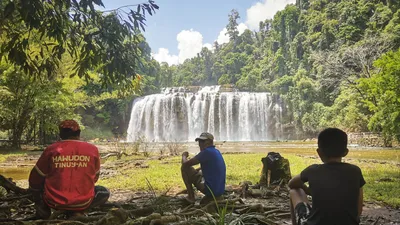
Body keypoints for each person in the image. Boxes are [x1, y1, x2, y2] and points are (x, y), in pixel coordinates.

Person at [28, 120, 110, 219]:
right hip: (83, 203)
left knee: (36, 187)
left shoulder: (52, 149)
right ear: (79, 133)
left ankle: (44, 210)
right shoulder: (92, 149)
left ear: (61, 134)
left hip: (54, 202)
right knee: (104, 192)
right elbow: (95, 177)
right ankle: (78, 212)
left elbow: (35, 178)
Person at [288, 128, 365, 225]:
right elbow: (358, 211)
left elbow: (291, 184)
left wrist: (309, 191)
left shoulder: (313, 170)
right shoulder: (355, 171)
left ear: (319, 152)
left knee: (294, 191)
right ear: (346, 152)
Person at [181, 132, 226, 204]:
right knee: (197, 172)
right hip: (219, 191)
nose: (200, 144)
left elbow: (186, 164)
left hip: (210, 191)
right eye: (199, 141)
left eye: (203, 141)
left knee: (184, 168)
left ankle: (191, 197)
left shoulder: (206, 152)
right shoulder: (216, 151)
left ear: (210, 142)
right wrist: (196, 171)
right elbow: (209, 167)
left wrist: (184, 156)